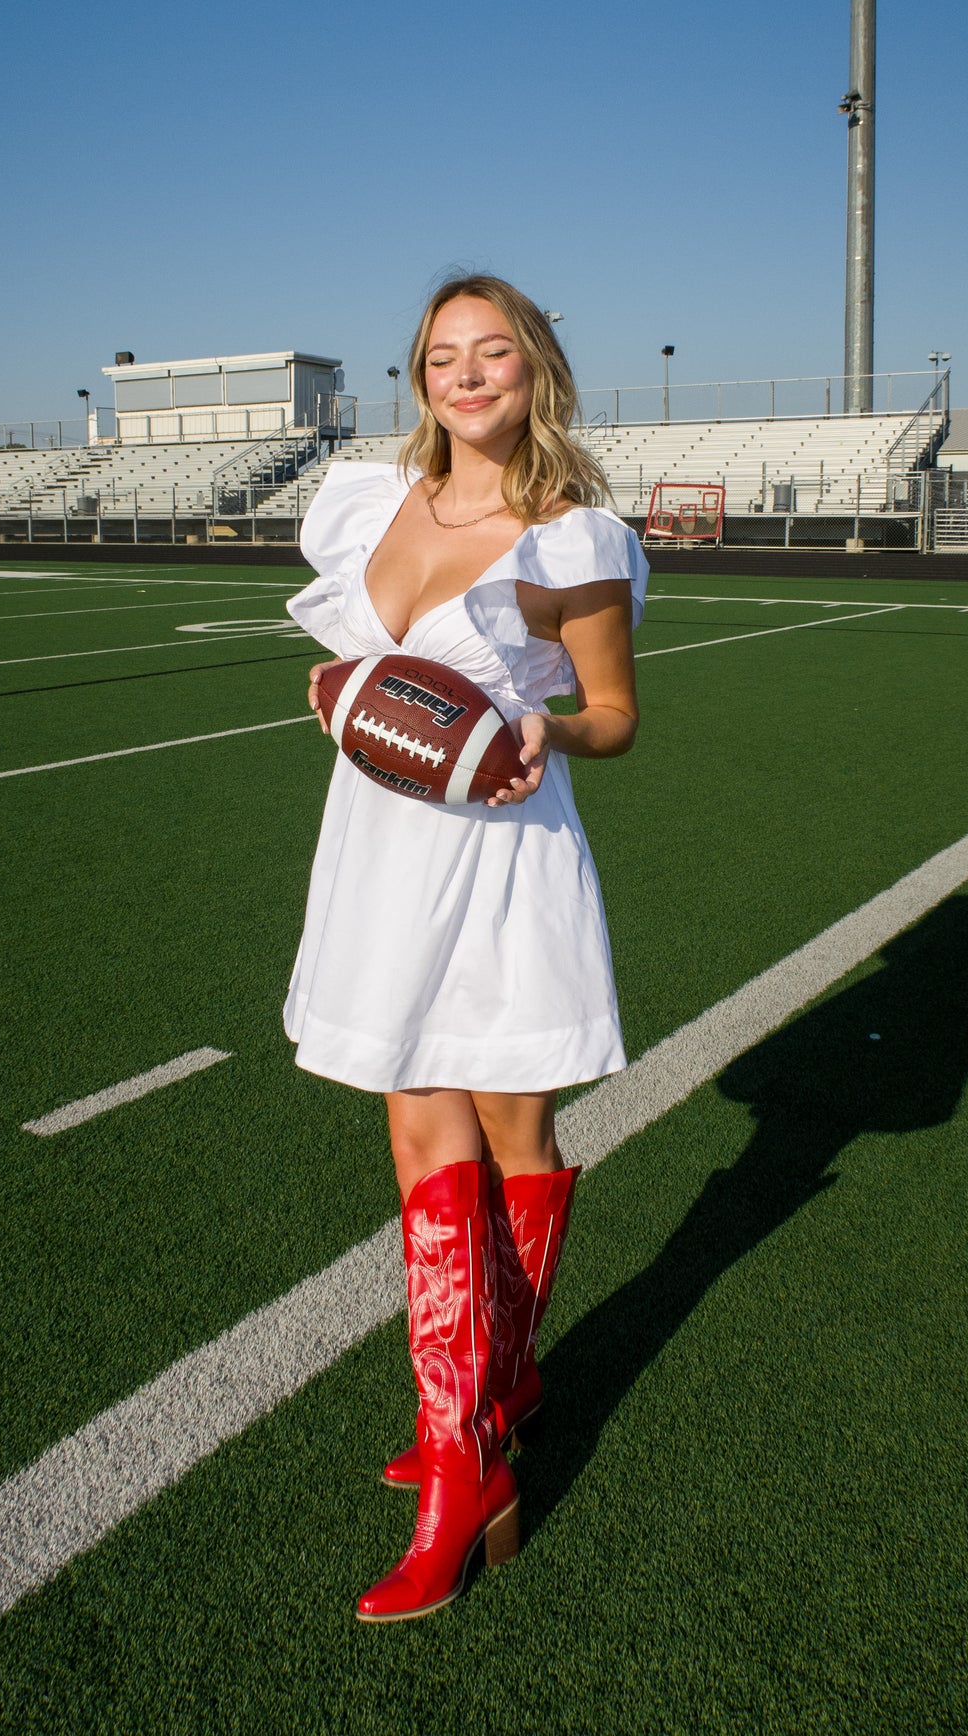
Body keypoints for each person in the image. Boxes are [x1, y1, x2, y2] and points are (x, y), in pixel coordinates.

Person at [284, 273, 647, 1623]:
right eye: (445, 354)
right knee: (416, 1136)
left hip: (501, 852)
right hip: (378, 850)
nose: (468, 373)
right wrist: (338, 698)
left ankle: (486, 1412)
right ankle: (463, 1448)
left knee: (513, 1132)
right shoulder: (371, 505)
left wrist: (552, 729)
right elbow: (359, 673)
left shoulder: (569, 536)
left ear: (533, 370)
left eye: (495, 351)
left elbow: (613, 712)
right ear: (420, 375)